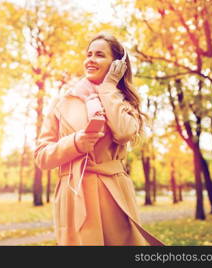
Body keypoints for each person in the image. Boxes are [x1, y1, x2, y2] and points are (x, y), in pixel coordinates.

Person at [34, 33, 164, 246]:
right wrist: (75, 143)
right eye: (89, 54)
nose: (91, 60)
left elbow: (123, 132)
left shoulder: (123, 101)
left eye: (100, 55)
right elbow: (41, 156)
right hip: (74, 196)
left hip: (113, 193)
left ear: (116, 65)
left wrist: (107, 88)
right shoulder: (62, 101)